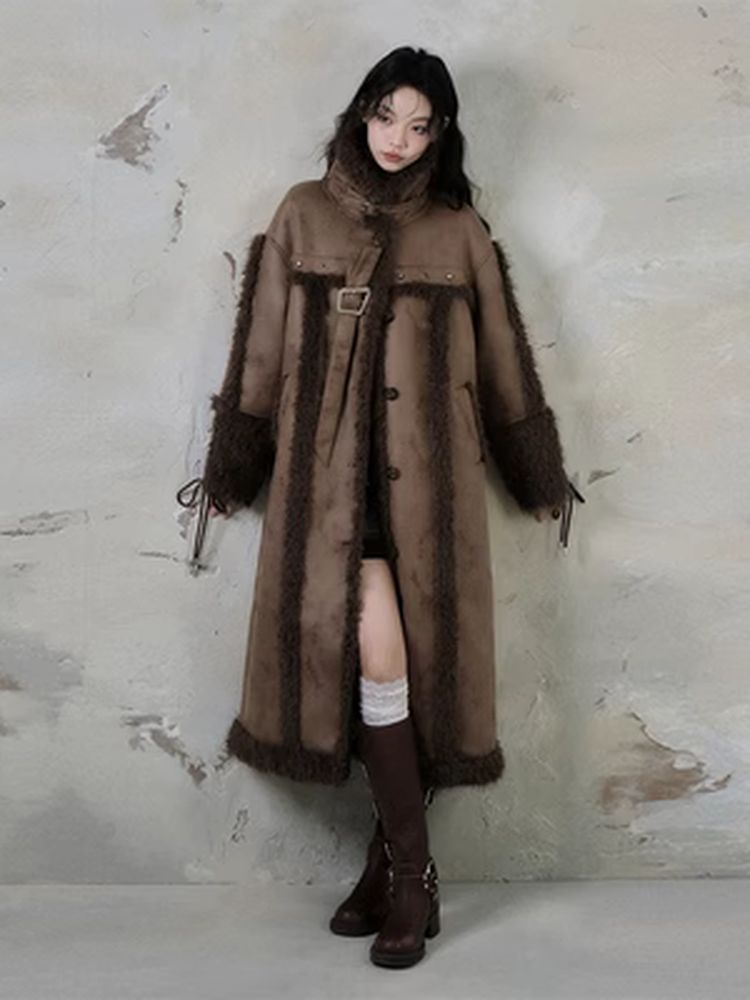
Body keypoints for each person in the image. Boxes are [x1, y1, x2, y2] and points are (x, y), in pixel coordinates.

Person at [176, 46, 583, 970]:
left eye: (420, 125)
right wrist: (233, 465)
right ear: (361, 111)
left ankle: (387, 870)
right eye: (387, 115)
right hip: (329, 492)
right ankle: (414, 875)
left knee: (421, 673)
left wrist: (536, 471)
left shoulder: (459, 229)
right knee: (379, 654)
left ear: (441, 135)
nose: (399, 138)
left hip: (434, 492)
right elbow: (260, 353)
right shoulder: (301, 213)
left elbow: (504, 359)